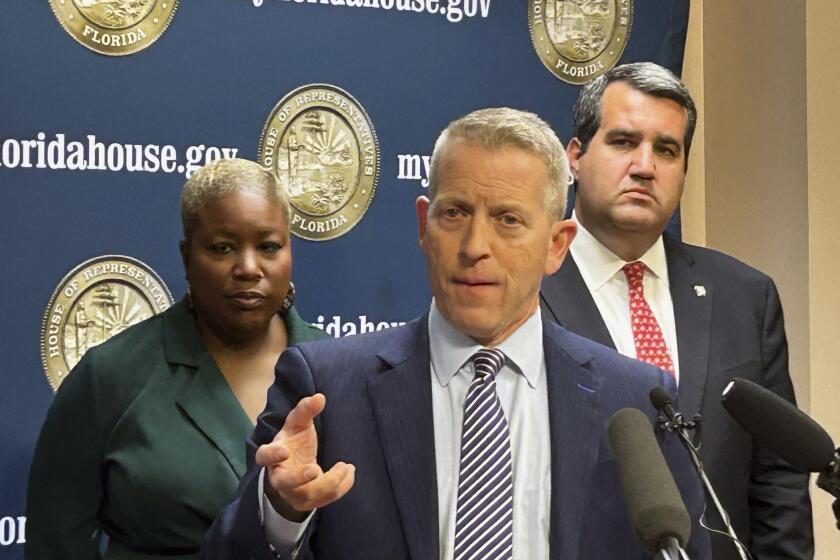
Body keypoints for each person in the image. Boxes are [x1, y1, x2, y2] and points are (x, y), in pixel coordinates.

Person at [202, 108, 712, 559]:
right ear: (424, 225)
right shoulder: (325, 387)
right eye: (455, 213)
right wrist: (281, 510)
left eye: (508, 220)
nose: (474, 245)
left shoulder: (639, 402)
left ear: (557, 245)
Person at [540, 62, 813, 559]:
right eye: (624, 142)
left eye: (667, 150)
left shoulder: (745, 296)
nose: (645, 166)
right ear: (574, 158)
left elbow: (777, 481)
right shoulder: (522, 290)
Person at [26, 158, 327, 559]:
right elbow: (55, 546)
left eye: (268, 246)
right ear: (187, 257)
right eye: (222, 248)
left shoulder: (336, 370)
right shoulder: (110, 378)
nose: (248, 268)